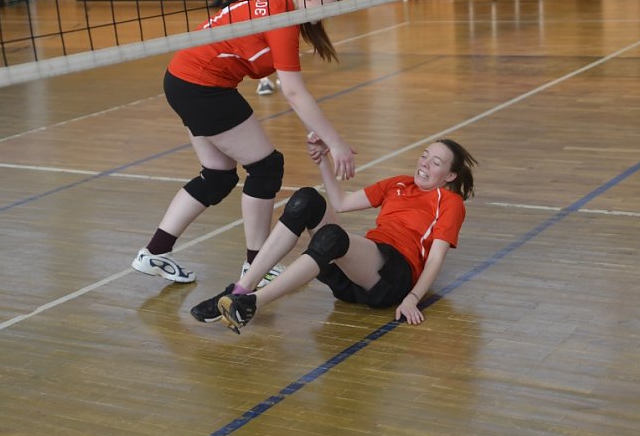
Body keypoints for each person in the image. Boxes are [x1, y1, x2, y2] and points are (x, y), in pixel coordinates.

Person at [131, 0, 356, 292]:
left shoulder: (277, 4)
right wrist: (335, 142)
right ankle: (258, 264)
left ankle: (155, 252)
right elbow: (292, 91)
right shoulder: (282, 19)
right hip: (201, 87)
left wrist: (320, 128)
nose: (331, 13)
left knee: (218, 176)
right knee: (267, 168)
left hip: (184, 80)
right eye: (331, 3)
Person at [188, 134, 476, 331]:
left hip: (393, 277)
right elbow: (341, 202)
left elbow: (436, 259)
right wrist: (323, 160)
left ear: (450, 176)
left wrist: (413, 297)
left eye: (435, 163)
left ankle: (250, 304)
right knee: (306, 199)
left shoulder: (450, 203)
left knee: (334, 238)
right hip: (355, 277)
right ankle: (239, 290)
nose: (424, 163)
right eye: (425, 156)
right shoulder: (399, 184)